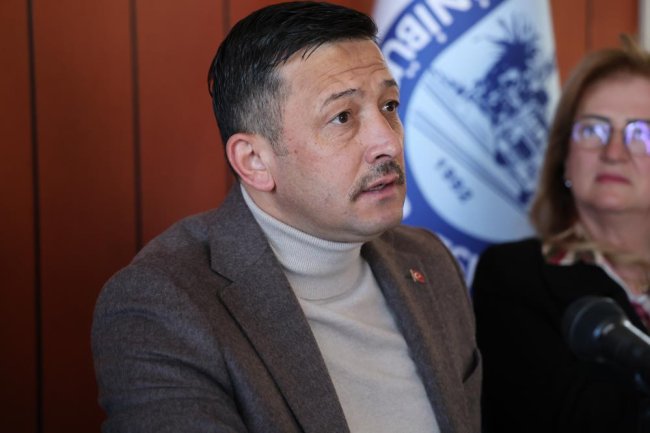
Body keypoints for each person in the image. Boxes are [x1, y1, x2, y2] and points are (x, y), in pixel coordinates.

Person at [91, 2, 481, 432]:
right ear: (254, 161)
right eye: (342, 117)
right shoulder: (165, 305)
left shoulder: (428, 262)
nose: (388, 142)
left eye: (389, 106)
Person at [472, 35, 650, 433]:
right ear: (564, 158)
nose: (614, 152)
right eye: (593, 130)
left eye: (641, 134)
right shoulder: (514, 275)